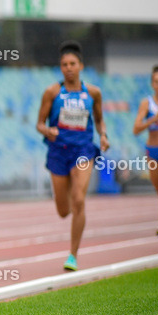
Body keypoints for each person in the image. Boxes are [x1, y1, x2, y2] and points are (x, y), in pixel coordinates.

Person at [35, 40, 108, 271]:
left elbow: (98, 119)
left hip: (83, 150)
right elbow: (39, 123)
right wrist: (48, 130)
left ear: (81, 66)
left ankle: (73, 255)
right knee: (63, 210)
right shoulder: (52, 92)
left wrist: (103, 135)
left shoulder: (93, 92)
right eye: (64, 64)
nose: (68, 68)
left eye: (72, 64)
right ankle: (66, 205)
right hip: (58, 151)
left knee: (78, 199)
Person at [132, 65, 158, 239]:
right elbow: (136, 129)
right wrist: (153, 119)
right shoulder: (147, 104)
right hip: (153, 151)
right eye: (157, 82)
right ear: (152, 84)